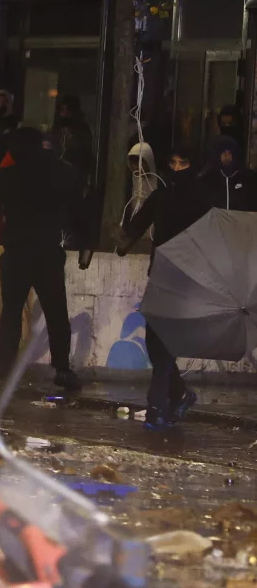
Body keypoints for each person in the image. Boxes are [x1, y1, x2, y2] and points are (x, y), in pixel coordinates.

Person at [0, 127, 91, 390]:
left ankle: (4, 365)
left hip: (17, 253)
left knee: (11, 311)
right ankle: (62, 368)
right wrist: (86, 246)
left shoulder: (8, 176)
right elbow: (81, 213)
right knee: (56, 312)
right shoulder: (63, 173)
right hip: (48, 253)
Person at [118, 146, 210, 430]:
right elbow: (135, 228)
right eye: (174, 162)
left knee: (162, 343)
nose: (177, 167)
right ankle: (176, 395)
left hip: (181, 279)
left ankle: (158, 406)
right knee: (158, 343)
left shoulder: (198, 199)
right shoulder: (179, 197)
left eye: (183, 162)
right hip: (165, 276)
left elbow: (129, 235)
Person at [200, 136, 257, 211]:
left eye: (229, 152)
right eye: (223, 153)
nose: (227, 156)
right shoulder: (208, 179)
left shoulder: (247, 179)